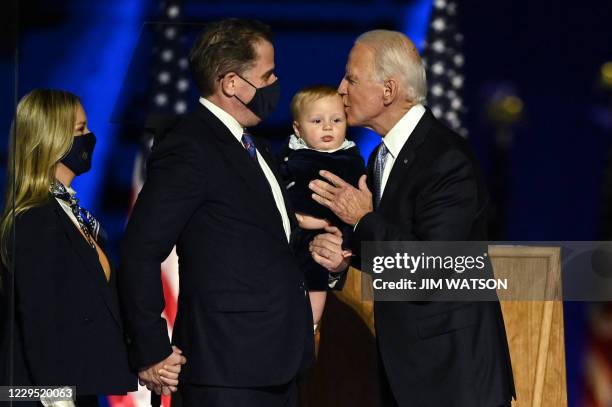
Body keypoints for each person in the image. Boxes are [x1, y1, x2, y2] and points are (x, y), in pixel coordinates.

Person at [308, 30, 516, 406]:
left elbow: (429, 269)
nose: (340, 88)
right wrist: (346, 257)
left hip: (453, 381)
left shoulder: (446, 159)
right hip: (407, 374)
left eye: (351, 79)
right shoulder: (380, 160)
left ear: (388, 90)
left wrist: (362, 220)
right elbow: (392, 253)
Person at [118, 19, 313, 406]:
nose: (276, 83)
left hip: (278, 364)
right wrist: (152, 347)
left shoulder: (255, 148)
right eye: (267, 74)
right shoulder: (190, 147)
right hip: (226, 367)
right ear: (230, 83)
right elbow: (140, 248)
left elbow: (267, 245)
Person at [0, 89, 177, 406]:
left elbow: (96, 311)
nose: (91, 136)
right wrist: (57, 398)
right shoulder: (35, 220)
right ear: (53, 140)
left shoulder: (71, 215)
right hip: (45, 396)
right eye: (80, 130)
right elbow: (40, 322)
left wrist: (147, 357)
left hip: (80, 389)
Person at [278, 85, 364, 330]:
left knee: (315, 277)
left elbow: (357, 204)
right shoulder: (291, 156)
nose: (328, 127)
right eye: (317, 121)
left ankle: (311, 325)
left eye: (336, 120)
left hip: (327, 240)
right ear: (298, 128)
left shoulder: (349, 159)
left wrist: (324, 222)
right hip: (287, 239)